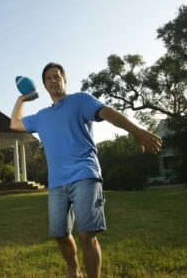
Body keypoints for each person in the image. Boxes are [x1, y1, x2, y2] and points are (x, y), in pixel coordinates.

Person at [10, 62, 162, 278]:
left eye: (57, 76)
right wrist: (22, 99)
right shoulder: (42, 116)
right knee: (59, 234)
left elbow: (108, 112)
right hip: (56, 183)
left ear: (64, 80)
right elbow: (14, 124)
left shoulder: (80, 100)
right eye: (48, 78)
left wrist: (135, 131)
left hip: (85, 174)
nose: (53, 80)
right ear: (44, 86)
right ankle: (74, 271)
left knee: (86, 234)